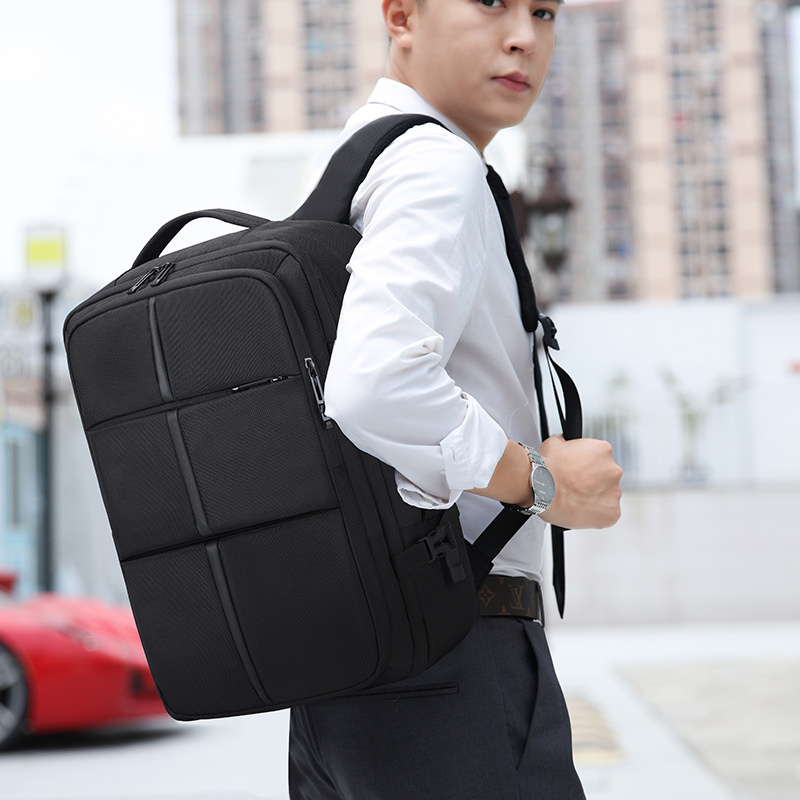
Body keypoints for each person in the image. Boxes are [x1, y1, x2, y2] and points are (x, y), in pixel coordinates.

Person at [289, 1, 623, 798]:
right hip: (455, 658)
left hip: (346, 676)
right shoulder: (435, 166)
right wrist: (542, 481)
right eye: (491, 2)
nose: (525, 37)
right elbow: (375, 382)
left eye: (544, 11)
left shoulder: (351, 163)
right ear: (401, 14)